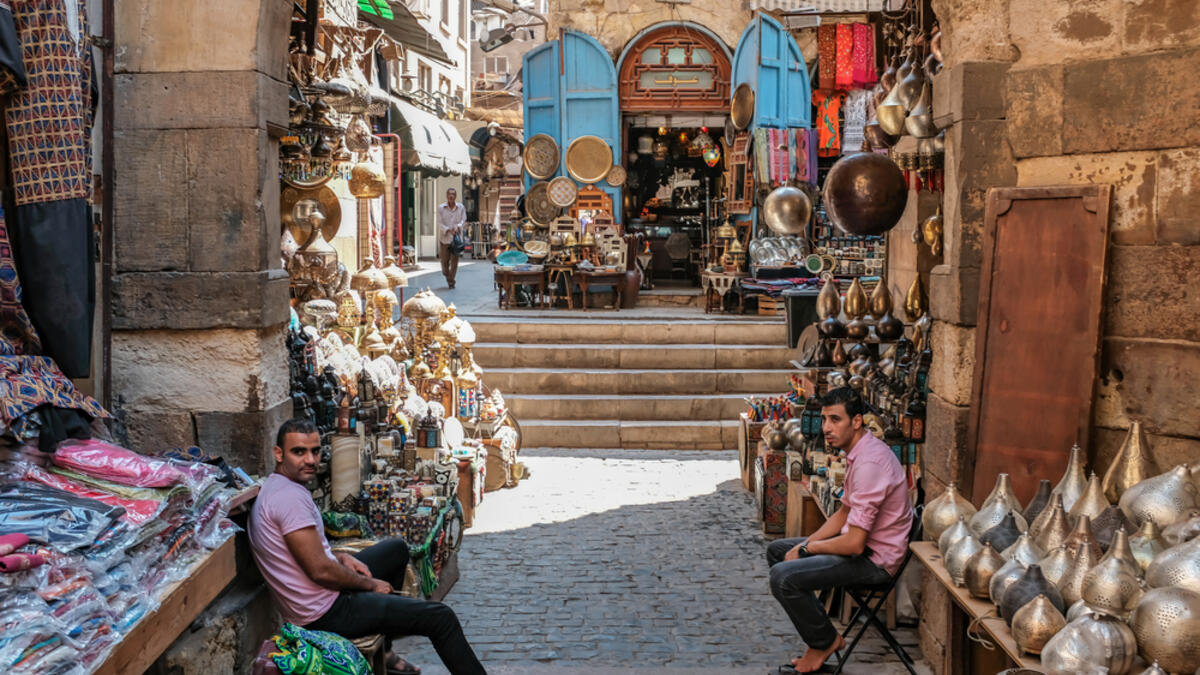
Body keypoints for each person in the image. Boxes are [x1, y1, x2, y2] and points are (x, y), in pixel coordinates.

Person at [248, 418, 487, 675]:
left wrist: (339, 556)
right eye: (299, 452)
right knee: (441, 618)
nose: (310, 460)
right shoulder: (289, 499)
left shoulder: (279, 487)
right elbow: (320, 571)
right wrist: (371, 586)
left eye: (315, 451)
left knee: (396, 550)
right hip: (324, 614)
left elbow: (307, 554)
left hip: (323, 595)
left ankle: (385, 652)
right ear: (278, 453)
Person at [766, 387, 913, 674]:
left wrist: (808, 549)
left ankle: (824, 641)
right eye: (824, 420)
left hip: (875, 560)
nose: (827, 428)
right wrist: (806, 543)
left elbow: (856, 544)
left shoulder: (870, 463)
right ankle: (822, 635)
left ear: (856, 421)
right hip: (858, 545)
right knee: (778, 551)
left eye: (835, 420)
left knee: (783, 577)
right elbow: (844, 512)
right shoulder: (860, 451)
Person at [437, 188, 466, 289]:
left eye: (453, 194)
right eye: (449, 194)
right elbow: (439, 222)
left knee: (454, 263)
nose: (451, 196)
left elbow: (463, 220)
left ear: (455, 196)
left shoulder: (461, 207)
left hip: (456, 240)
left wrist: (458, 226)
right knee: (444, 263)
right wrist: (448, 230)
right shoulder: (441, 208)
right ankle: (450, 278)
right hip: (444, 239)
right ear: (447, 196)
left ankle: (451, 282)